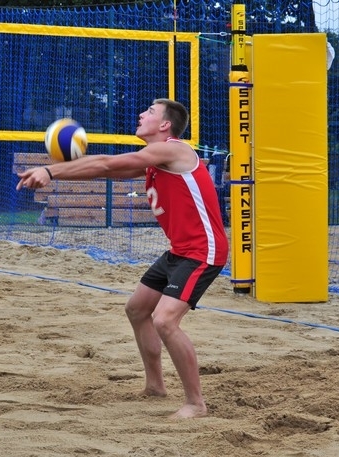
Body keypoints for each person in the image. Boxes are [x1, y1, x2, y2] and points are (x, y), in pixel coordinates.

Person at [16, 99, 229, 419]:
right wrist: (55, 174)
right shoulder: (153, 161)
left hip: (203, 250)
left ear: (165, 125)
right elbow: (105, 170)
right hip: (179, 250)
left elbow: (105, 163)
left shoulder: (174, 150)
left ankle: (195, 404)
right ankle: (155, 386)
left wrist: (50, 170)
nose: (141, 114)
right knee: (137, 309)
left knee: (165, 321)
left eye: (150, 112)